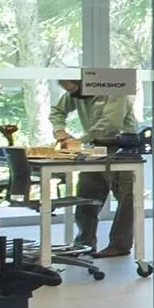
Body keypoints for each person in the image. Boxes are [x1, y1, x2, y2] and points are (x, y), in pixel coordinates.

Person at [50, 75, 138, 259]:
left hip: (121, 150)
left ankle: (120, 245)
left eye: (73, 90)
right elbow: (57, 110)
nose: (72, 95)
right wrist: (60, 131)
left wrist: (77, 141)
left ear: (85, 84)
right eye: (67, 91)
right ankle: (84, 243)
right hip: (95, 151)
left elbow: (110, 125)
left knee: (126, 200)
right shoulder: (75, 93)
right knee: (86, 196)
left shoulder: (115, 91)